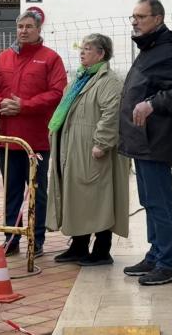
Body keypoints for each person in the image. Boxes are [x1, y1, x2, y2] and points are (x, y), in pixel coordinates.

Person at [119, 0, 172, 286]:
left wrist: (152, 103)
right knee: (149, 201)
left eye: (141, 16)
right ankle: (155, 254)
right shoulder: (151, 47)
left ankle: (168, 264)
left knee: (160, 203)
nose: (135, 22)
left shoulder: (167, 50)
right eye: (133, 17)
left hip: (156, 141)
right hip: (143, 141)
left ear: (158, 19)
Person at [0, 10, 66, 258]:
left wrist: (25, 105)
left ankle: (36, 237)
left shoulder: (51, 59)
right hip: (8, 138)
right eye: (20, 26)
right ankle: (11, 238)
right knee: (11, 190)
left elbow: (56, 92)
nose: (23, 31)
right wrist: (0, 103)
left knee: (37, 191)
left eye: (29, 26)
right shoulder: (4, 58)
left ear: (39, 30)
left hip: (37, 141)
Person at [47, 34, 129, 266]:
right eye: (81, 49)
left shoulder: (109, 81)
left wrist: (101, 144)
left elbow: (111, 113)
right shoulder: (81, 78)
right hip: (74, 149)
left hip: (93, 150)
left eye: (87, 49)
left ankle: (102, 249)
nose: (82, 53)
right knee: (78, 199)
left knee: (100, 199)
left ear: (101, 54)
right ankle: (79, 246)